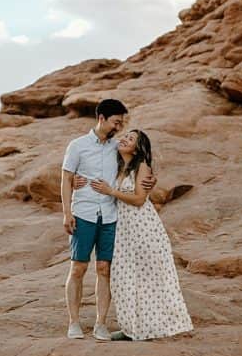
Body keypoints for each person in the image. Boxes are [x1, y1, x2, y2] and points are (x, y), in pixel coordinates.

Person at [60, 98, 155, 340]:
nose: (118, 127)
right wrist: (67, 213)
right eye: (116, 122)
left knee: (105, 269)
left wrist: (152, 180)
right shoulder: (77, 146)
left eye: (121, 123)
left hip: (111, 216)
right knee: (79, 267)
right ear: (101, 118)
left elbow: (138, 163)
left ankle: (100, 324)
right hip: (83, 213)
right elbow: (65, 179)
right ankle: (74, 323)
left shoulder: (117, 147)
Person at [88, 130, 193, 341]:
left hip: (142, 227)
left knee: (148, 276)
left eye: (130, 139)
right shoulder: (116, 165)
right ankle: (131, 327)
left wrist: (111, 192)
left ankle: (156, 326)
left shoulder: (142, 166)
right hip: (122, 229)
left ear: (136, 148)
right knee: (124, 277)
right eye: (124, 136)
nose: (124, 139)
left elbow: (138, 200)